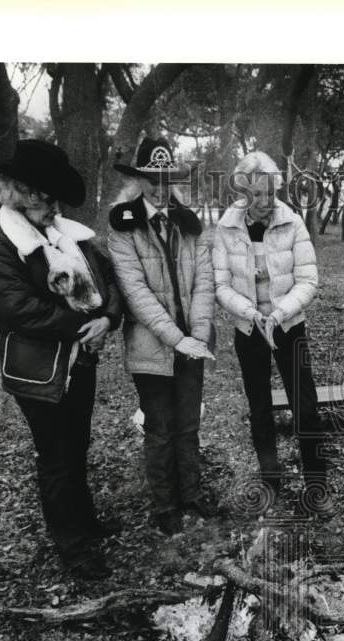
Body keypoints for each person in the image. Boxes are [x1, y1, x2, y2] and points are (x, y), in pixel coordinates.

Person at [0, 139, 123, 580]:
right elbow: (16, 311)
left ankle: (86, 524)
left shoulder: (67, 234)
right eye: (39, 193)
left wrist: (108, 320)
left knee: (77, 446)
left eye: (51, 193)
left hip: (81, 361)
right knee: (55, 457)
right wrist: (82, 323)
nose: (49, 202)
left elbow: (107, 282)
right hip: (38, 370)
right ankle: (74, 549)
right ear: (16, 190)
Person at [107, 137, 218, 536]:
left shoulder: (190, 222)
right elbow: (135, 292)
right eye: (151, 178)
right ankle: (165, 504)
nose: (159, 186)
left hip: (193, 344)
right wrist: (176, 338)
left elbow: (205, 281)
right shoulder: (122, 225)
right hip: (152, 346)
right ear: (138, 179)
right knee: (160, 427)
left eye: (166, 178)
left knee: (189, 424)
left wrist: (199, 334)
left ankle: (190, 494)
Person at [213, 151, 333, 516]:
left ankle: (317, 486)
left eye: (269, 193)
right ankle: (271, 481)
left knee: (306, 407)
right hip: (249, 329)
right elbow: (221, 285)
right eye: (255, 195)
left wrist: (279, 313)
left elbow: (308, 280)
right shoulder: (227, 226)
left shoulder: (292, 222)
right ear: (242, 192)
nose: (264, 202)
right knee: (260, 406)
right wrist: (251, 313)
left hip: (288, 327)